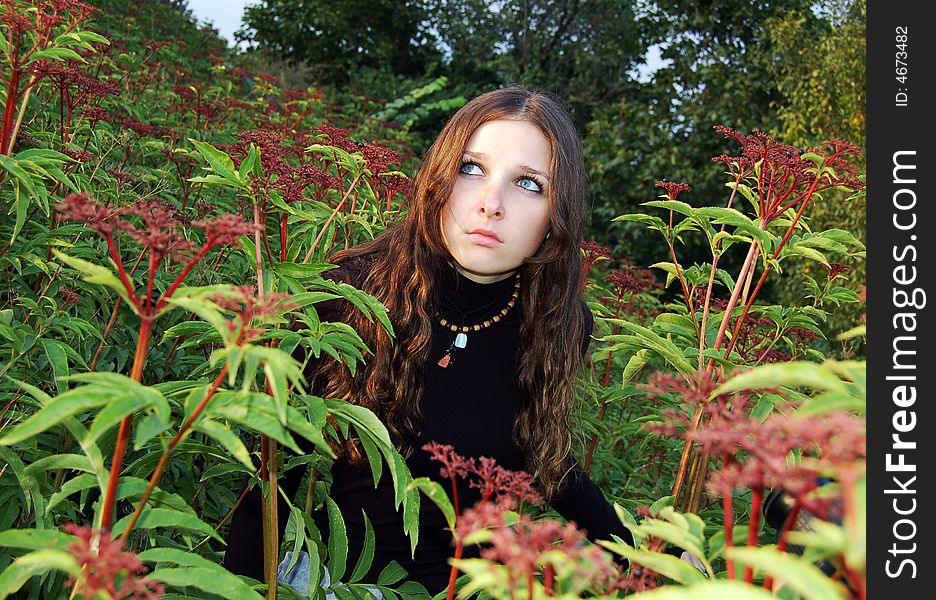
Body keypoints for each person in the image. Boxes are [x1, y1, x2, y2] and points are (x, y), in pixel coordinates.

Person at [223, 86, 633, 594]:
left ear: (556, 218)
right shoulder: (348, 295)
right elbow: (266, 474)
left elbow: (544, 455)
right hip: (341, 585)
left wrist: (639, 559)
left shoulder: (561, 323)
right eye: (472, 168)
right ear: (438, 177)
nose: (491, 204)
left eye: (529, 183)